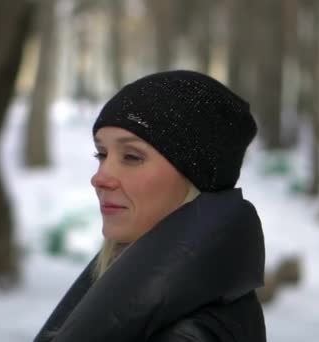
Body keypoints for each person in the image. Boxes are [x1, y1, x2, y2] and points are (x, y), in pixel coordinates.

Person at [34, 70, 266, 342]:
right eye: (102, 154)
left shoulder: (187, 334)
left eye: (131, 156)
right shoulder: (152, 299)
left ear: (194, 179)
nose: (100, 178)